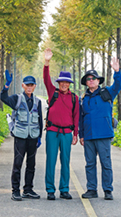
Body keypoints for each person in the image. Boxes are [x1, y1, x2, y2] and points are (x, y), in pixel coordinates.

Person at [79, 57, 121, 200]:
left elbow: (118, 85)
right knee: (90, 164)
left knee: (106, 163)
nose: (91, 80)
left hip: (103, 134)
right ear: (86, 82)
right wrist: (81, 135)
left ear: (98, 81)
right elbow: (81, 117)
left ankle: (108, 190)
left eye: (94, 78)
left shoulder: (107, 93)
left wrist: (117, 71)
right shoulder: (84, 98)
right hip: (89, 136)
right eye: (88, 79)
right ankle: (91, 189)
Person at [0, 70, 43, 201]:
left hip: (33, 137)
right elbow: (3, 98)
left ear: (34, 86)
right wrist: (7, 85)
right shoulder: (17, 99)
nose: (29, 87)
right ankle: (15, 190)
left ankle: (28, 189)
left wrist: (40, 136)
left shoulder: (37, 101)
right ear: (23, 86)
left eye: (32, 85)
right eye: (27, 85)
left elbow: (40, 120)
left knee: (31, 164)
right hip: (20, 137)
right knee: (18, 163)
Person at [43, 48, 79, 200]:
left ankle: (64, 189)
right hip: (52, 132)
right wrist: (47, 62)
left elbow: (76, 116)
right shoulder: (53, 92)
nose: (64, 84)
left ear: (69, 84)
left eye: (67, 82)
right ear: (59, 82)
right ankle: (50, 190)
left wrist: (76, 134)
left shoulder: (74, 98)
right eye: (62, 82)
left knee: (66, 162)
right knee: (50, 161)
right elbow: (45, 79)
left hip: (66, 134)